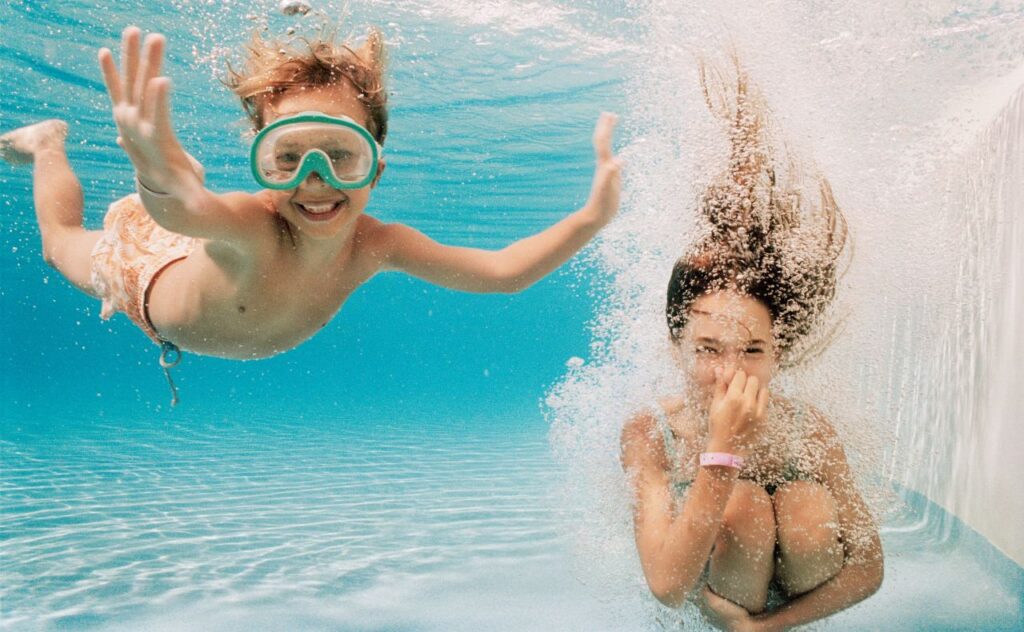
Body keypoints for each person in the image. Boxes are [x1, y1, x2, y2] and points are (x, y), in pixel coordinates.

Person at [0, 26, 622, 402]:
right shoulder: (252, 223)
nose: (314, 182)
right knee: (60, 244)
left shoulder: (379, 244)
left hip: (191, 242)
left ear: (376, 166)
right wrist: (157, 175)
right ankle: (47, 143)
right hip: (148, 272)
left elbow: (503, 272)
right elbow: (190, 214)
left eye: (340, 157)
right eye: (287, 158)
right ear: (262, 166)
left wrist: (590, 219)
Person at [619, 56, 882, 631]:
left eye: (753, 351)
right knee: (742, 505)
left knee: (806, 506)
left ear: (779, 350)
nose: (730, 373)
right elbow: (665, 586)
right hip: (707, 603)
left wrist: (766, 628)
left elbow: (869, 567)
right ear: (676, 346)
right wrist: (721, 452)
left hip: (775, 616)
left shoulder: (808, 431)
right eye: (709, 349)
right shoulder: (650, 433)